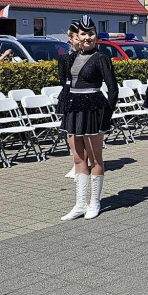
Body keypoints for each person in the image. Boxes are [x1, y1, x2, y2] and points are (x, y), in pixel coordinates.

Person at [60, 16, 117, 220]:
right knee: (78, 158)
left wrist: (106, 115)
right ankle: (80, 204)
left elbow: (113, 89)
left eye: (91, 33)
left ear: (96, 36)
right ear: (77, 36)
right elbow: (67, 84)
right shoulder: (71, 57)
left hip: (94, 108)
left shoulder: (101, 58)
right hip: (74, 108)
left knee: (95, 158)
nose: (87, 37)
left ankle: (95, 202)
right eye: (83, 34)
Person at [58, 20, 85, 179]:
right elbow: (62, 78)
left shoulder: (88, 56)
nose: (79, 41)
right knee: (71, 131)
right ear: (71, 40)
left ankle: (83, 163)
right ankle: (76, 162)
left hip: (83, 93)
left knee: (82, 130)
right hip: (69, 94)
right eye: (76, 38)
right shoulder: (64, 58)